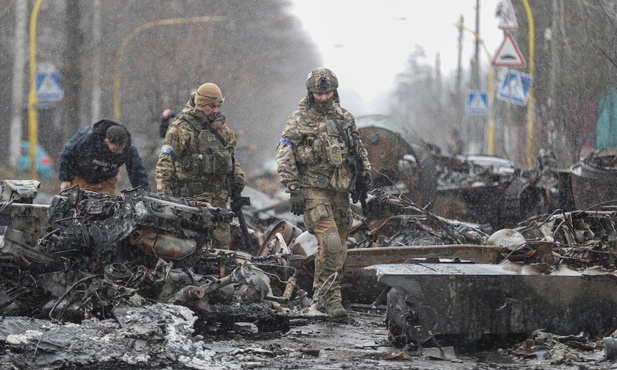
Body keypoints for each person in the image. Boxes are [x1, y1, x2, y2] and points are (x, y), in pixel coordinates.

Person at [275, 67, 373, 319]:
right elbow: (284, 153)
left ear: (334, 91)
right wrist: (294, 187)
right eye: (318, 93)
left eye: (327, 92)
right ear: (310, 93)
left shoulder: (344, 117)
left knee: (338, 248)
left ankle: (321, 294)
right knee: (329, 241)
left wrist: (364, 174)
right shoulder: (299, 119)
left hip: (339, 192)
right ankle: (332, 298)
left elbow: (358, 149)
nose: (323, 97)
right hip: (312, 190)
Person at [155, 82, 246, 250]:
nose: (216, 110)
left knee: (220, 252)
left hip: (219, 205)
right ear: (200, 103)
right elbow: (164, 166)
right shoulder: (180, 129)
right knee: (190, 251)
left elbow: (231, 159)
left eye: (218, 105)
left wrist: (238, 178)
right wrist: (165, 202)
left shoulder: (223, 131)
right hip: (189, 205)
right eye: (212, 105)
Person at [59, 119, 150, 195]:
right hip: (81, 177)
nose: (120, 152)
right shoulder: (87, 140)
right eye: (116, 149)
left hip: (106, 181)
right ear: (107, 141)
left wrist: (144, 193)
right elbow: (67, 153)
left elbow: (137, 172)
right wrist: (65, 179)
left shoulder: (129, 149)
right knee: (80, 209)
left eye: (122, 149)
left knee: (106, 210)